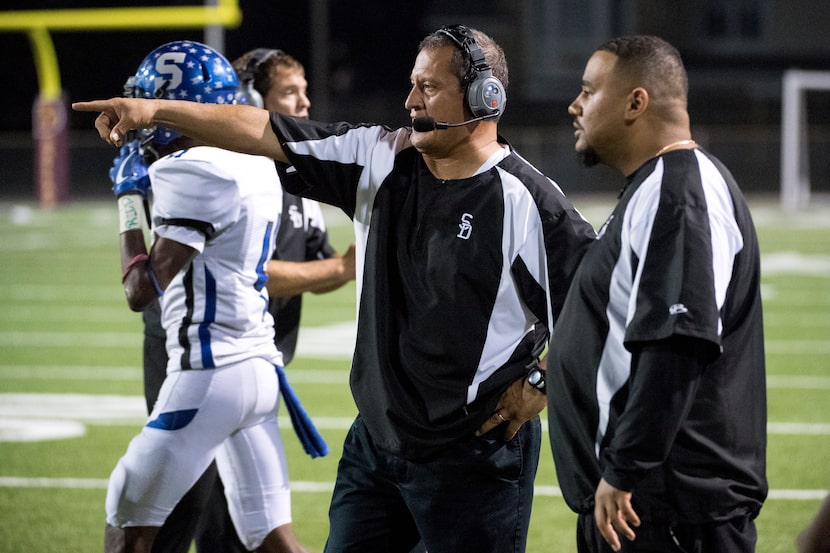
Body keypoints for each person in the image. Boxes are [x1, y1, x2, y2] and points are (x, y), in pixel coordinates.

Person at [75, 24, 596, 553]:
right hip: (377, 445)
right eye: (412, 83)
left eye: (429, 88)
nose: (410, 99)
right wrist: (155, 112)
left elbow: (601, 305)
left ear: (487, 97)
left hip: (473, 458)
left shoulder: (528, 201)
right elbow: (262, 130)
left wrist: (539, 381)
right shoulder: (379, 158)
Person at [545, 35, 767, 552]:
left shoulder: (680, 193)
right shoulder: (655, 187)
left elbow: (677, 343)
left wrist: (624, 471)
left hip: (668, 510)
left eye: (588, 90)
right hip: (645, 503)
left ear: (636, 102)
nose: (573, 105)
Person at [102, 40, 325, 553]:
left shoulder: (189, 170)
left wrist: (129, 201)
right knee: (270, 537)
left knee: (127, 514)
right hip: (258, 372)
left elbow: (141, 289)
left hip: (208, 374)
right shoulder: (255, 162)